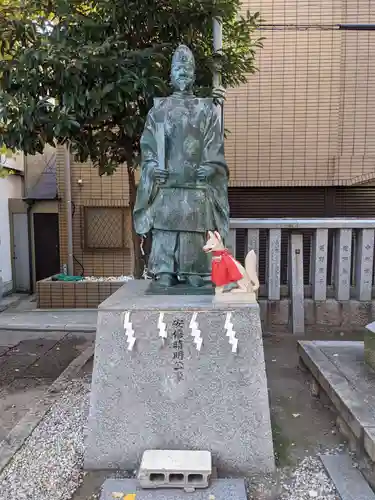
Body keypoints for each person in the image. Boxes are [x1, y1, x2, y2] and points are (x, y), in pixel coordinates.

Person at [133, 44, 229, 288]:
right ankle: (164, 270)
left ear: (194, 75)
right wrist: (153, 168)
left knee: (195, 232)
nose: (182, 72)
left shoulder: (206, 108)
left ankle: (195, 272)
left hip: (196, 186)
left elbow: (214, 144)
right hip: (167, 186)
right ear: (170, 75)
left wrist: (210, 166)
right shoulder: (158, 111)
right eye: (178, 68)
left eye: (187, 68)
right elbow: (148, 147)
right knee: (165, 230)